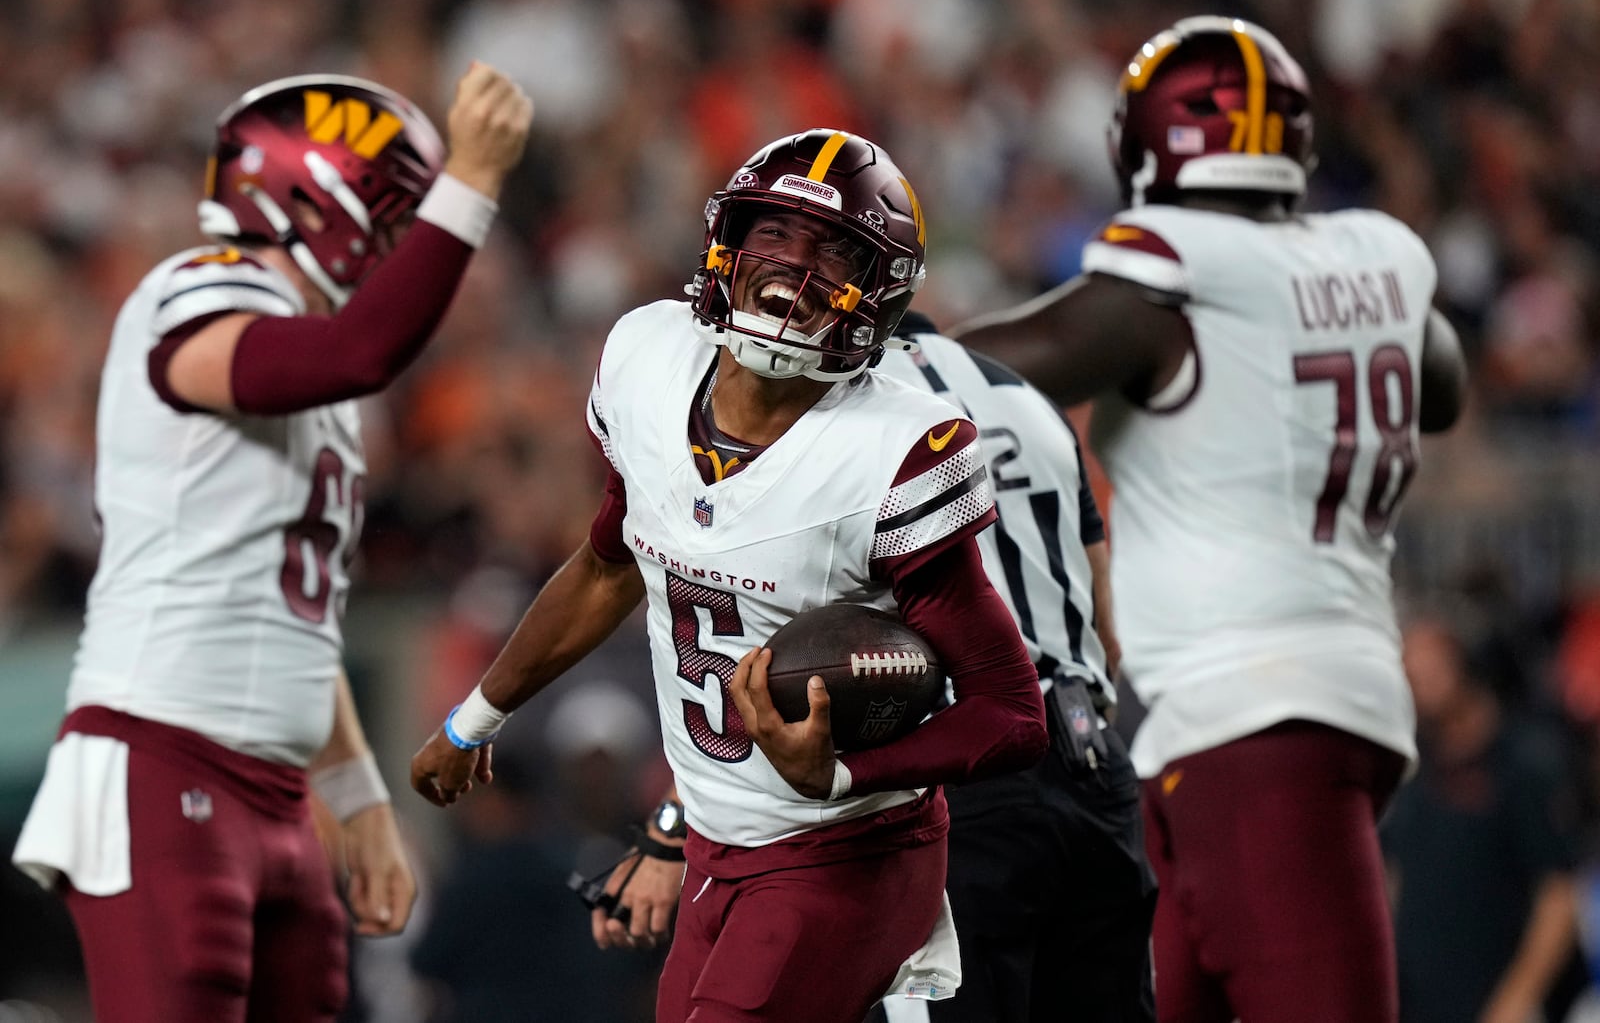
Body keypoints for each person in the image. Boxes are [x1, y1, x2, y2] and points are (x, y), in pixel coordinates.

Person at [410, 128, 1049, 1023]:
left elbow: (1013, 713)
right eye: (776, 235)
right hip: (717, 847)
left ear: (882, 291)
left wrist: (839, 773)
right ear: (727, 243)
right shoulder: (649, 358)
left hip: (847, 851)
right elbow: (606, 567)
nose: (795, 265)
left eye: (835, 249)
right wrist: (478, 715)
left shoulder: (897, 447)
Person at [955, 16, 1468, 1023]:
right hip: (1255, 714)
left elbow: (1035, 348)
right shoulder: (1377, 257)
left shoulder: (1175, 274)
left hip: (1255, 718)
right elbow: (1437, 383)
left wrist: (880, 360)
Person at [11, 64, 532, 1023]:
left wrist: (362, 796)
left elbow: (295, 613)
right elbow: (358, 352)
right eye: (392, 216)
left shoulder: (317, 391)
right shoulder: (194, 288)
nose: (396, 246)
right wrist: (473, 184)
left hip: (282, 794)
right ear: (313, 192)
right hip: (164, 753)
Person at [590, 312, 1158, 1023]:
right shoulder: (1025, 397)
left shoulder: (842, 415)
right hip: (1092, 768)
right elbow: (1107, 634)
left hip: (957, 767)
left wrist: (672, 827)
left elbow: (756, 649)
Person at [1384, 614, 1586, 1023]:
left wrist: (1515, 1003)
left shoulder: (1523, 762)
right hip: (1419, 1003)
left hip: (1502, 1000)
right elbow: (1391, 878)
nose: (1420, 686)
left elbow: (1559, 898)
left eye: (1430, 670)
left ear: (1465, 666)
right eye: (1410, 674)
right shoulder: (1411, 768)